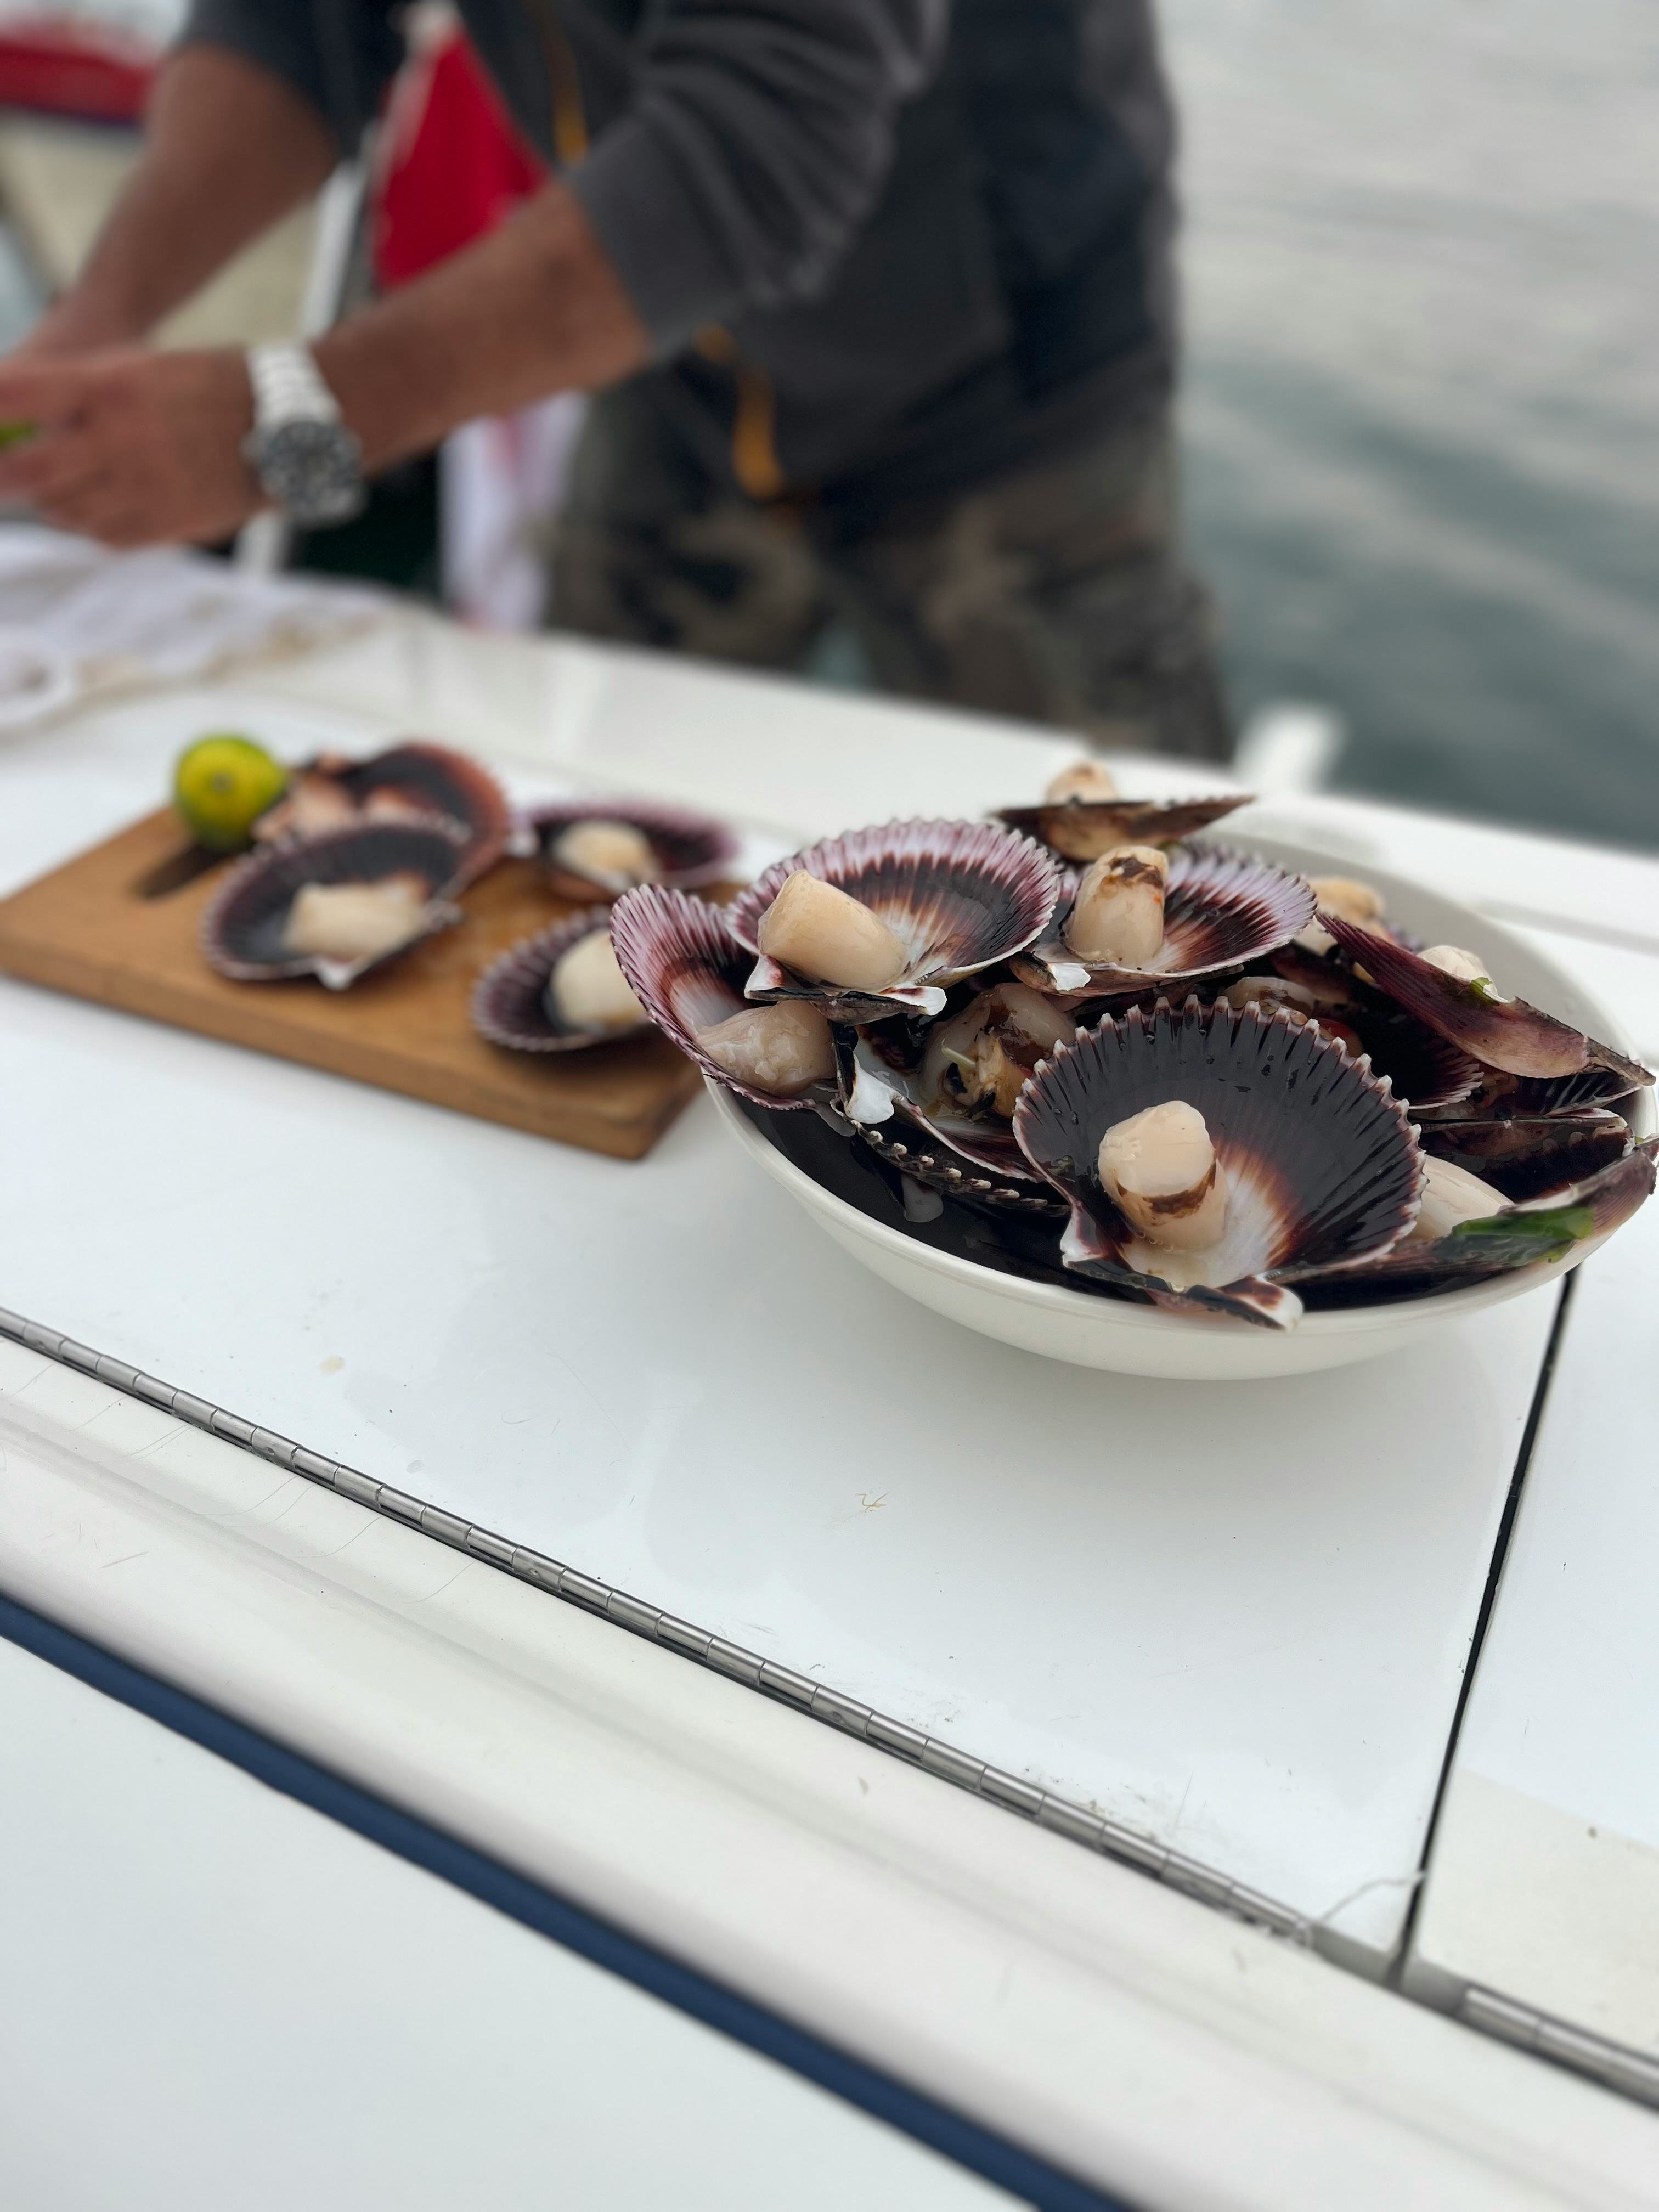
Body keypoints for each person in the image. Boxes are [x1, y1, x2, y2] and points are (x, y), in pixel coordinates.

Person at [0, 1, 1230, 760]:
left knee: (1129, 912)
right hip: (676, 375)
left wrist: (295, 424)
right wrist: (97, 319)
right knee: (598, 847)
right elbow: (298, 24)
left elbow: (764, 133)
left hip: (1006, 401)